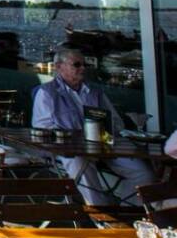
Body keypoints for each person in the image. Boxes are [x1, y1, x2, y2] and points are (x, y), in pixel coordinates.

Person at [32, 47, 153, 205]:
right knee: (79, 163)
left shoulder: (95, 92)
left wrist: (104, 130)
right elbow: (41, 128)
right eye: (77, 64)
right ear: (59, 67)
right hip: (70, 149)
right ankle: (99, 211)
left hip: (103, 145)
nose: (82, 68)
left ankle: (126, 211)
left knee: (143, 173)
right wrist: (75, 137)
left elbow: (116, 122)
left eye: (84, 65)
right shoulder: (47, 93)